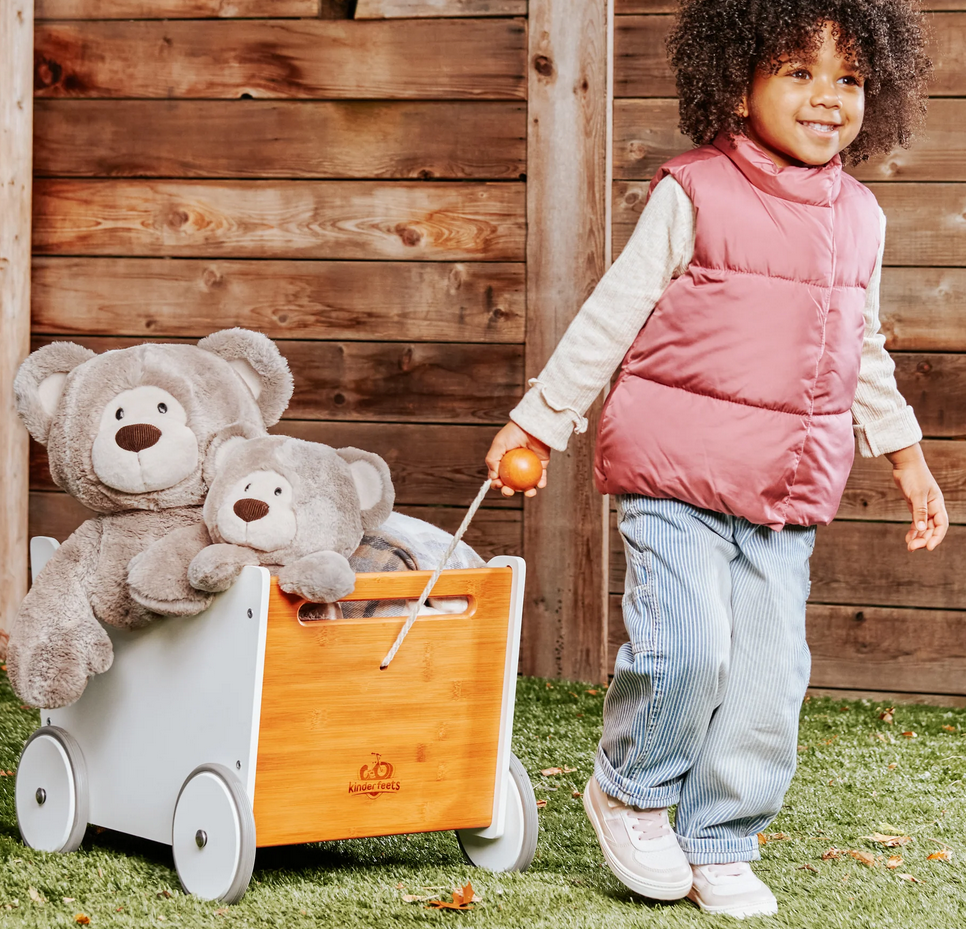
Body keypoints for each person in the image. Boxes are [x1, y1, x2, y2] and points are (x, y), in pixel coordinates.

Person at [484, 0, 947, 918]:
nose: (828, 98)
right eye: (800, 72)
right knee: (688, 647)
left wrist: (908, 457)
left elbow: (862, 347)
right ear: (738, 83)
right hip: (676, 478)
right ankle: (631, 788)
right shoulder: (694, 188)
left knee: (770, 680)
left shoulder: (862, 217)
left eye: (849, 78)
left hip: (785, 493)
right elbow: (611, 315)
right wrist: (539, 421)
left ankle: (721, 834)